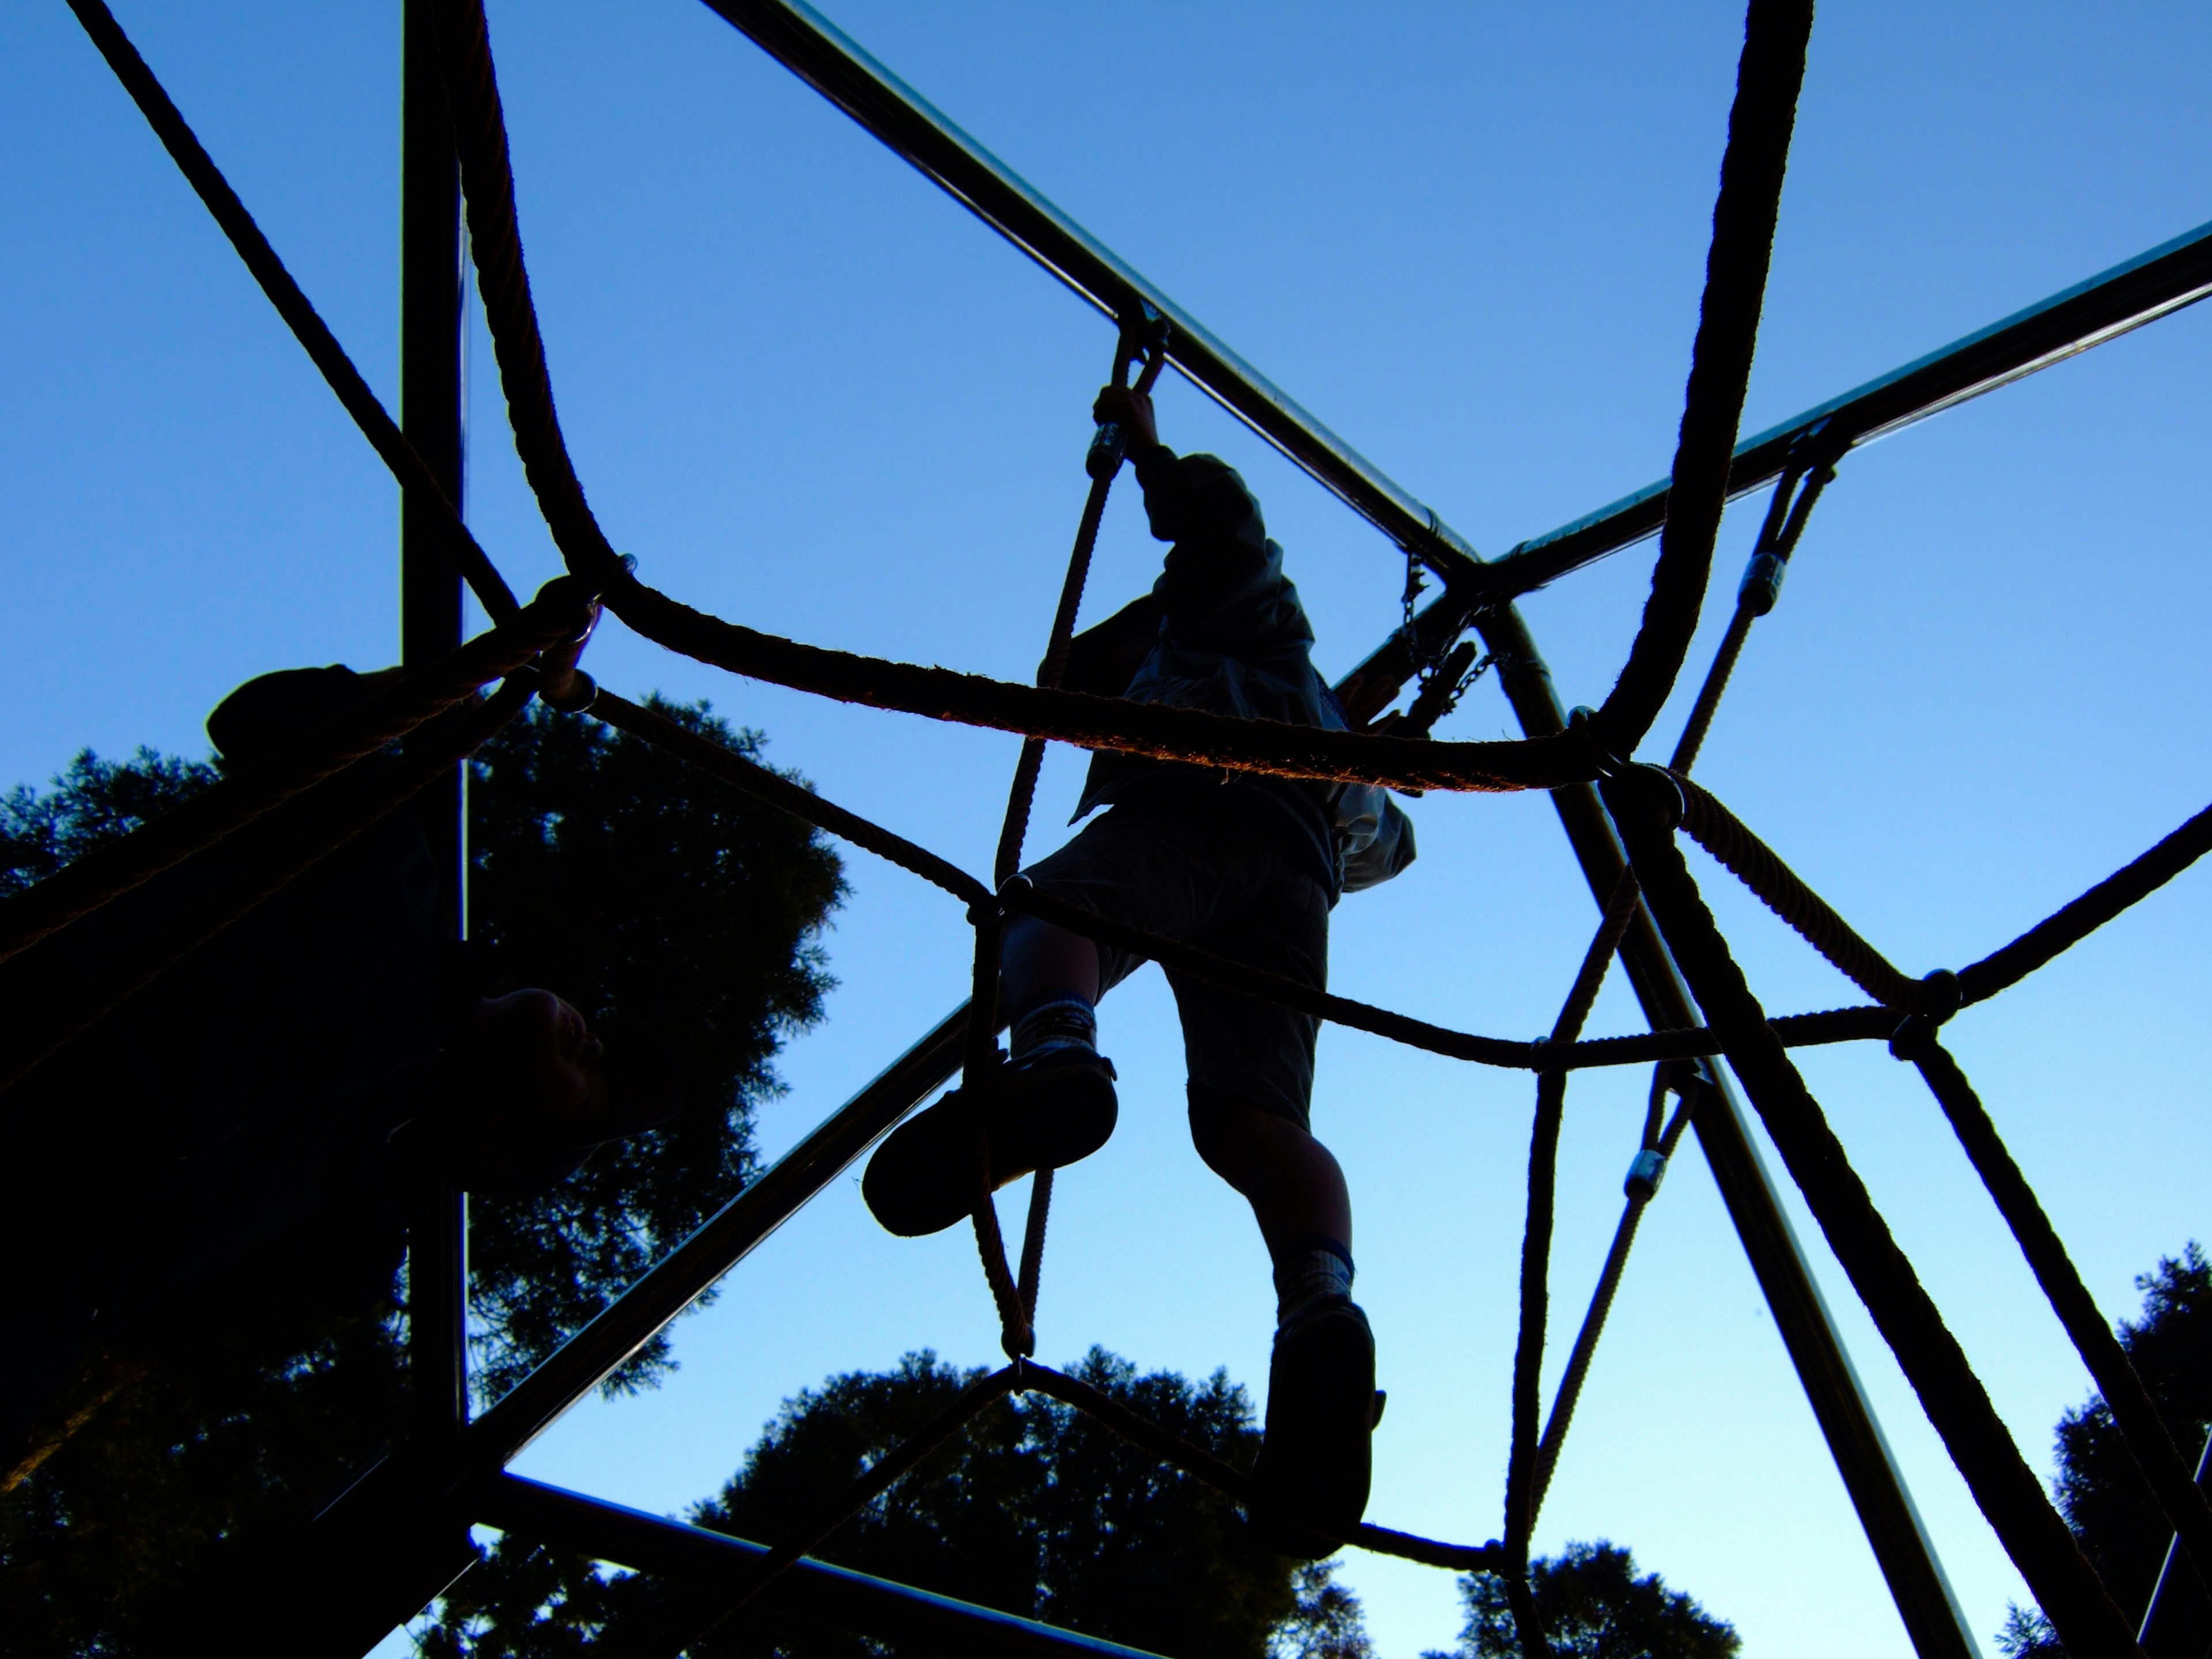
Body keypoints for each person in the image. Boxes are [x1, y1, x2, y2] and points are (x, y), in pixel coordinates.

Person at [862, 384, 1416, 1556]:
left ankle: (1058, 1054)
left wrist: (1151, 458)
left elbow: (1222, 522)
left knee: (1049, 913)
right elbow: (1390, 847)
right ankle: (1321, 1300)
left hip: (1196, 802)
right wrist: (1365, 776)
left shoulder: (1232, 620)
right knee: (1254, 1126)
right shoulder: (1335, 752)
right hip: (1301, 881)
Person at [0, 664, 676, 1469]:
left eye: (592, 1087)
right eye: (603, 1047)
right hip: (40, 1043)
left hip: (51, 1260)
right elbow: (265, 719)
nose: (592, 1042)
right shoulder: (396, 893)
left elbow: (351, 1284)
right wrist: (472, 671)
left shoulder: (370, 1188)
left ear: (502, 1141)